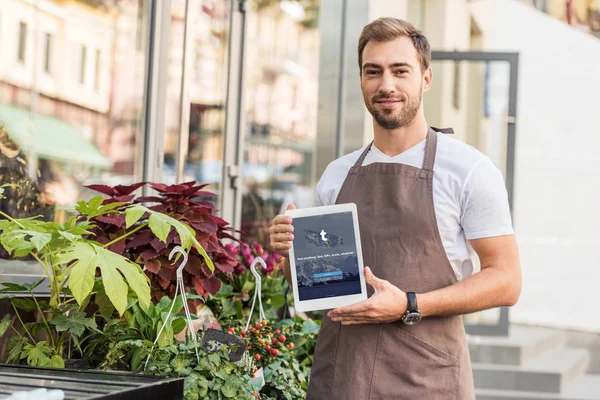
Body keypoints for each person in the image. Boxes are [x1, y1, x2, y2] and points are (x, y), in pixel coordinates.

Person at [269, 17, 521, 400]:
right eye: (374, 72)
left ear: (426, 78)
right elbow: (320, 288)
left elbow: (506, 279)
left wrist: (409, 304)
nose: (386, 84)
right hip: (341, 378)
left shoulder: (468, 170)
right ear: (361, 82)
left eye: (400, 71)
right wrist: (289, 250)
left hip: (426, 380)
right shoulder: (336, 175)